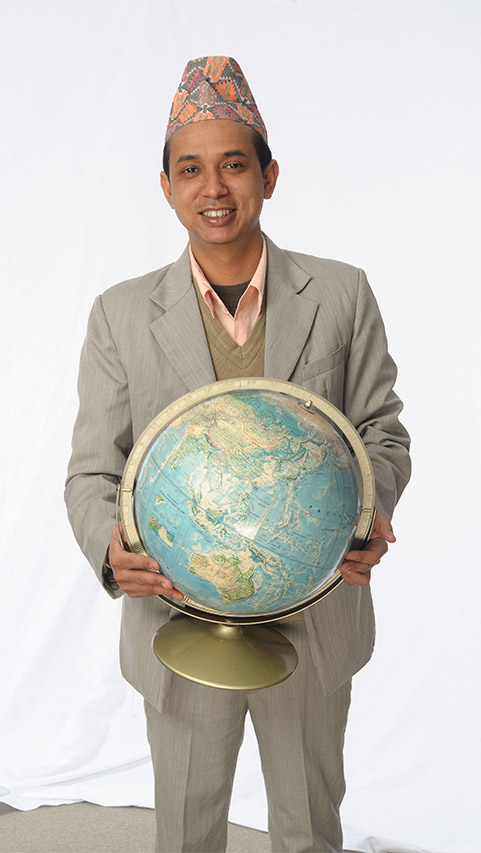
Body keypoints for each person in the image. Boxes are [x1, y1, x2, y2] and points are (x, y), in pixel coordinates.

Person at [65, 56, 411, 853]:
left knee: (306, 832)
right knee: (186, 833)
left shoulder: (340, 293)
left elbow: (381, 429)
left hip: (313, 609)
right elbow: (92, 468)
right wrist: (112, 552)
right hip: (177, 614)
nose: (213, 188)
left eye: (233, 165)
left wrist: (373, 505)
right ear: (166, 187)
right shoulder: (119, 315)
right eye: (190, 169)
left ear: (268, 175)